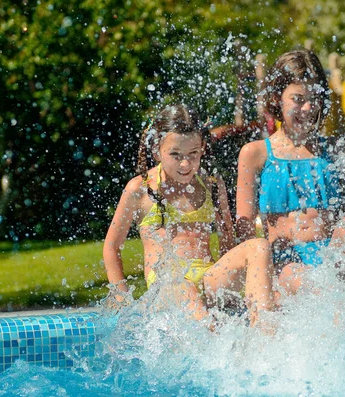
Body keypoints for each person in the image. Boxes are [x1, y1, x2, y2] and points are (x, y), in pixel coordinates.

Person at [103, 104, 275, 327]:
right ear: (157, 150)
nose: (185, 164)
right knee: (187, 290)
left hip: (208, 278)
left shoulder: (212, 185)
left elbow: (227, 248)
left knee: (259, 246)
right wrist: (121, 297)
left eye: (193, 154)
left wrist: (236, 292)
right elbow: (111, 246)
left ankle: (264, 335)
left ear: (202, 147)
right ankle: (210, 335)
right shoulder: (141, 189)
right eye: (176, 155)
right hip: (168, 285)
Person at [236, 49, 345, 296]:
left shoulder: (337, 149)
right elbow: (246, 227)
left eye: (314, 98)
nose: (307, 108)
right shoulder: (256, 153)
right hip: (286, 259)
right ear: (277, 99)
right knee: (319, 289)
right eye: (297, 99)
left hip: (333, 251)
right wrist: (258, 281)